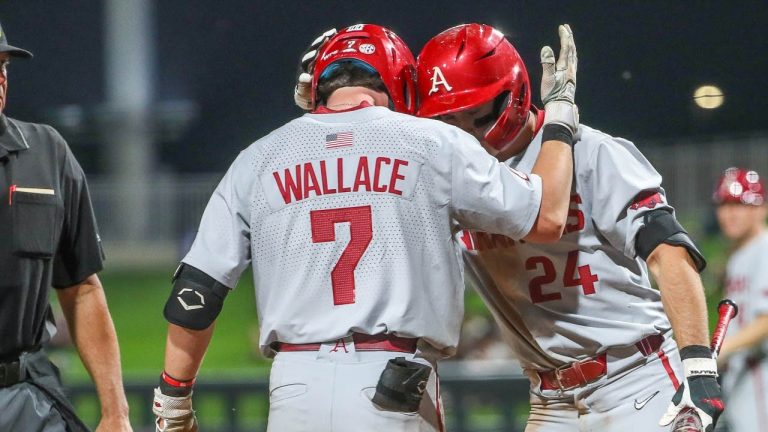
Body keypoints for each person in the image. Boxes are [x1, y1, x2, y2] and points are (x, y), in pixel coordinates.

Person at [153, 23, 578, 432]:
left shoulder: (257, 158)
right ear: (399, 83)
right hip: (394, 382)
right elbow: (546, 217)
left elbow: (196, 294)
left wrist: (174, 403)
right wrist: (559, 114)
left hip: (294, 387)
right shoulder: (431, 141)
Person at [412, 23, 724, 432]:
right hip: (549, 399)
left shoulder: (591, 151)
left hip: (636, 377)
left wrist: (698, 365)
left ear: (515, 94)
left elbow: (668, 251)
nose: (466, 134)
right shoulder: (447, 176)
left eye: (477, 114)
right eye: (448, 121)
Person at [0, 20, 131, 432]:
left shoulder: (46, 152)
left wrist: (116, 413)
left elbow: (81, 288)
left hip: (23, 398)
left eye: (3, 66)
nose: (1, 78)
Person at [713, 167, 768, 431]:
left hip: (761, 375)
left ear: (761, 209)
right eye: (724, 205)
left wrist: (719, 351)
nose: (729, 214)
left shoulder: (765, 249)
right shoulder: (738, 256)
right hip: (742, 376)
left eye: (739, 205)